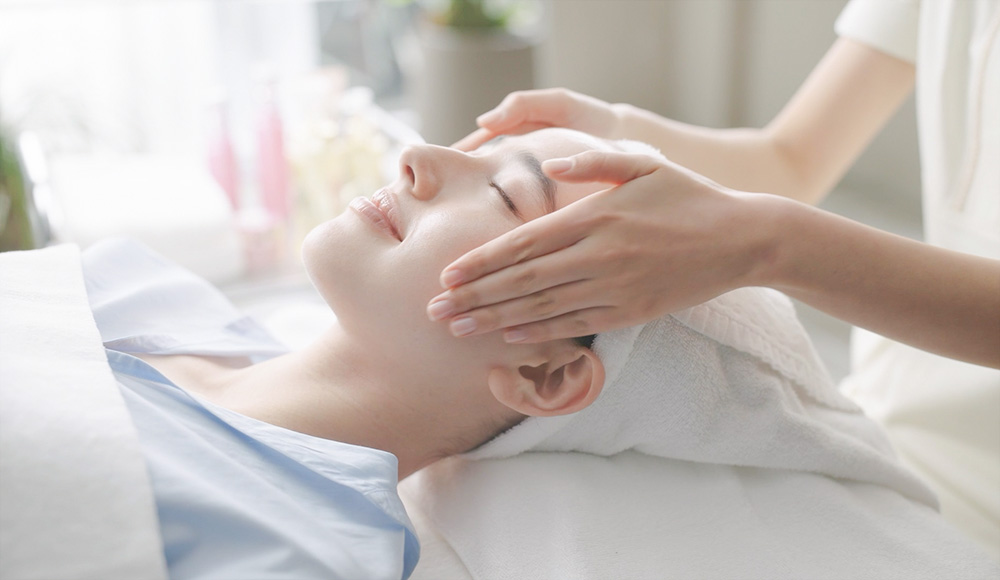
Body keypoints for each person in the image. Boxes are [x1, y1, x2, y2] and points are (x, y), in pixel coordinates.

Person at [428, 0, 1000, 559]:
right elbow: (792, 159)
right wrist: (616, 132)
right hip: (885, 422)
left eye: (506, 194)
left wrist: (770, 242)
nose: (418, 160)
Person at [77, 128, 652, 579]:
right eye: (476, 151)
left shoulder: (295, 552)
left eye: (507, 195)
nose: (418, 156)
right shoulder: (135, 284)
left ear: (546, 376)